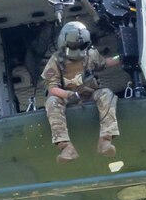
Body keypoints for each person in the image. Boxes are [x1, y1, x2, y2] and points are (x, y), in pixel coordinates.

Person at [41, 20, 121, 165]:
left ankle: (105, 140)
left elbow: (105, 62)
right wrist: (68, 95)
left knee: (107, 94)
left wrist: (121, 57)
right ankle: (66, 147)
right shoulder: (56, 60)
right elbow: (52, 88)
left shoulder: (90, 54)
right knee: (52, 102)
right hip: (67, 98)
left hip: (90, 94)